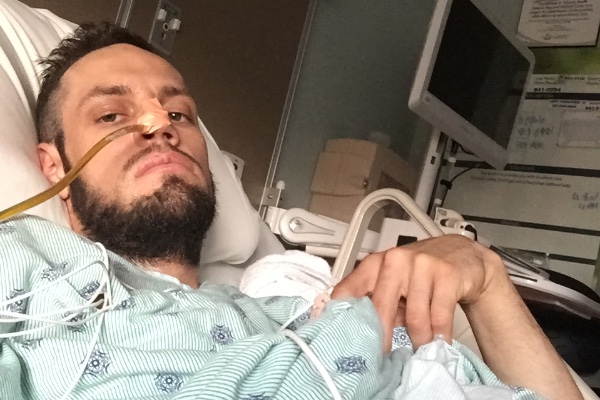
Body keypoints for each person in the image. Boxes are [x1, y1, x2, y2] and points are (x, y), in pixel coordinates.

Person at [0, 22, 582, 400]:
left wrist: (485, 275)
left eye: (179, 114)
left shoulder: (294, 309)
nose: (158, 124)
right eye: (111, 116)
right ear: (53, 167)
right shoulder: (30, 272)